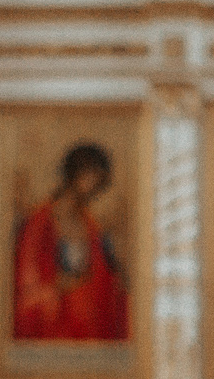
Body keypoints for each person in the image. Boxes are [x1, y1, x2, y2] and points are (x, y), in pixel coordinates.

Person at [13, 143, 129, 341]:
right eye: (92, 177)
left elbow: (105, 281)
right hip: (51, 331)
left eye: (100, 181)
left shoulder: (92, 228)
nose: (96, 187)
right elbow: (26, 289)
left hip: (86, 330)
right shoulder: (38, 224)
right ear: (76, 174)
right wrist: (58, 287)